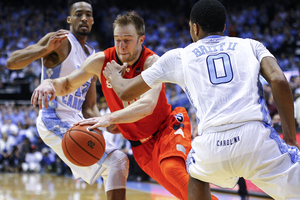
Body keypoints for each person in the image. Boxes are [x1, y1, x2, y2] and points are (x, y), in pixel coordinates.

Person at [100, 0, 300, 199]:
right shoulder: (251, 45)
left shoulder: (179, 56)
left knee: (195, 173)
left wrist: (113, 75)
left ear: (194, 28)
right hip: (256, 139)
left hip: (211, 146)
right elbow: (278, 79)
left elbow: (125, 92)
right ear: (223, 27)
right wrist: (290, 138)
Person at [30, 11, 217, 200]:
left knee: (173, 171)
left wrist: (109, 117)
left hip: (167, 129)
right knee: (185, 194)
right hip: (141, 148)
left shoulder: (152, 62)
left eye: (127, 40)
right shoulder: (100, 61)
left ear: (141, 40)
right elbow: (68, 83)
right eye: (117, 39)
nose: (121, 45)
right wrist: (49, 83)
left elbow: (147, 105)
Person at [6, 1, 129, 199]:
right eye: (78, 14)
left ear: (93, 21)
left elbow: (89, 107)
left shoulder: (92, 56)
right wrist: (42, 50)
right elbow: (12, 62)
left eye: (88, 15)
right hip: (53, 118)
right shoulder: (61, 39)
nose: (84, 18)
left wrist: (107, 124)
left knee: (120, 161)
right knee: (115, 162)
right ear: (69, 19)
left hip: (77, 120)